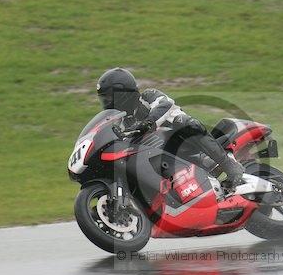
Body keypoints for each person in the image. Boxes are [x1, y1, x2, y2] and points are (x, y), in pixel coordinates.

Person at [95, 67, 244, 188]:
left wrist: (148, 122)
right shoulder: (120, 122)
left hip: (182, 143)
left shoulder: (148, 96)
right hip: (158, 159)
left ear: (123, 93)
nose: (106, 103)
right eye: (103, 99)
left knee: (183, 121)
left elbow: (165, 105)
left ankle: (229, 165)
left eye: (108, 98)